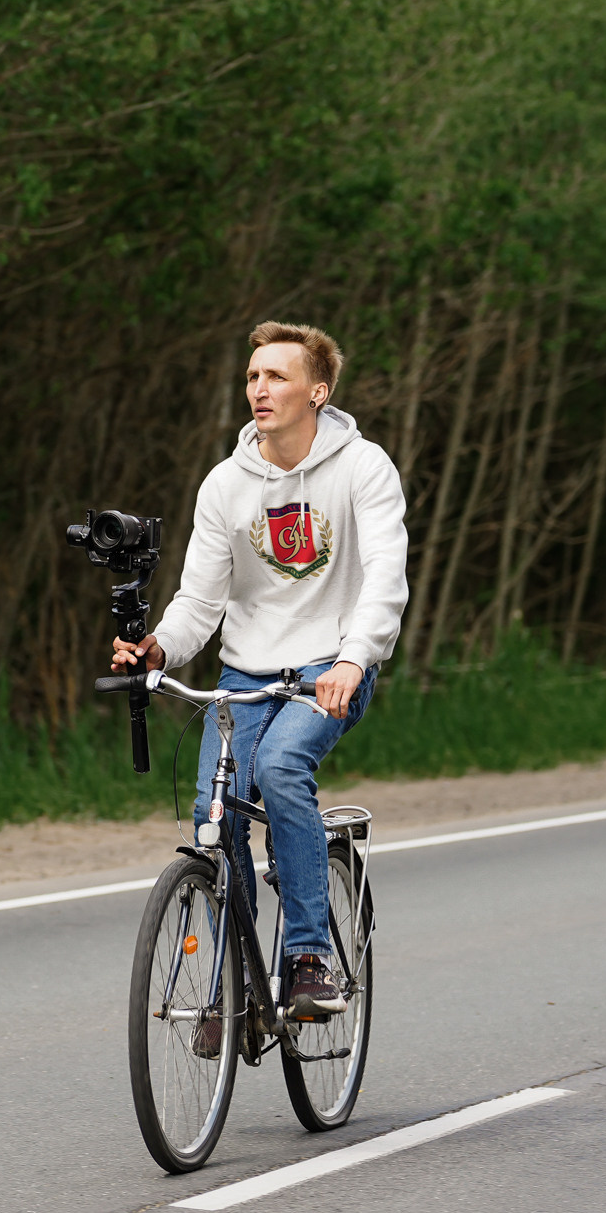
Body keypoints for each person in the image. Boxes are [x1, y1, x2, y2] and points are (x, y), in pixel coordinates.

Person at [112, 322, 408, 1026]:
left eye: (276, 376)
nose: (259, 389)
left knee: (279, 769)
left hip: (331, 663)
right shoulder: (226, 482)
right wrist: (159, 648)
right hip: (245, 673)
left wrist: (353, 657)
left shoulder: (364, 467)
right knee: (212, 813)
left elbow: (386, 579)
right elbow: (200, 601)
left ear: (318, 390)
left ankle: (307, 959)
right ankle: (236, 979)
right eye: (252, 377)